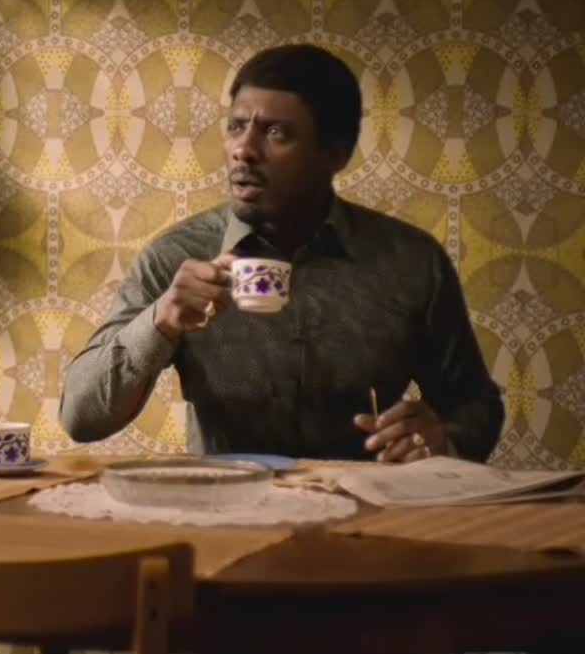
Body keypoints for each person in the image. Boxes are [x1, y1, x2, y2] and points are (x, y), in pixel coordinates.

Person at [59, 43, 504, 463]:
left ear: (335, 154)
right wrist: (161, 320)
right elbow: (80, 418)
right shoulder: (178, 258)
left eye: (276, 132)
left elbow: (475, 405)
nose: (243, 150)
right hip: (228, 506)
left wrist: (444, 439)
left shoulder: (411, 262)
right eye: (236, 127)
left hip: (366, 507)